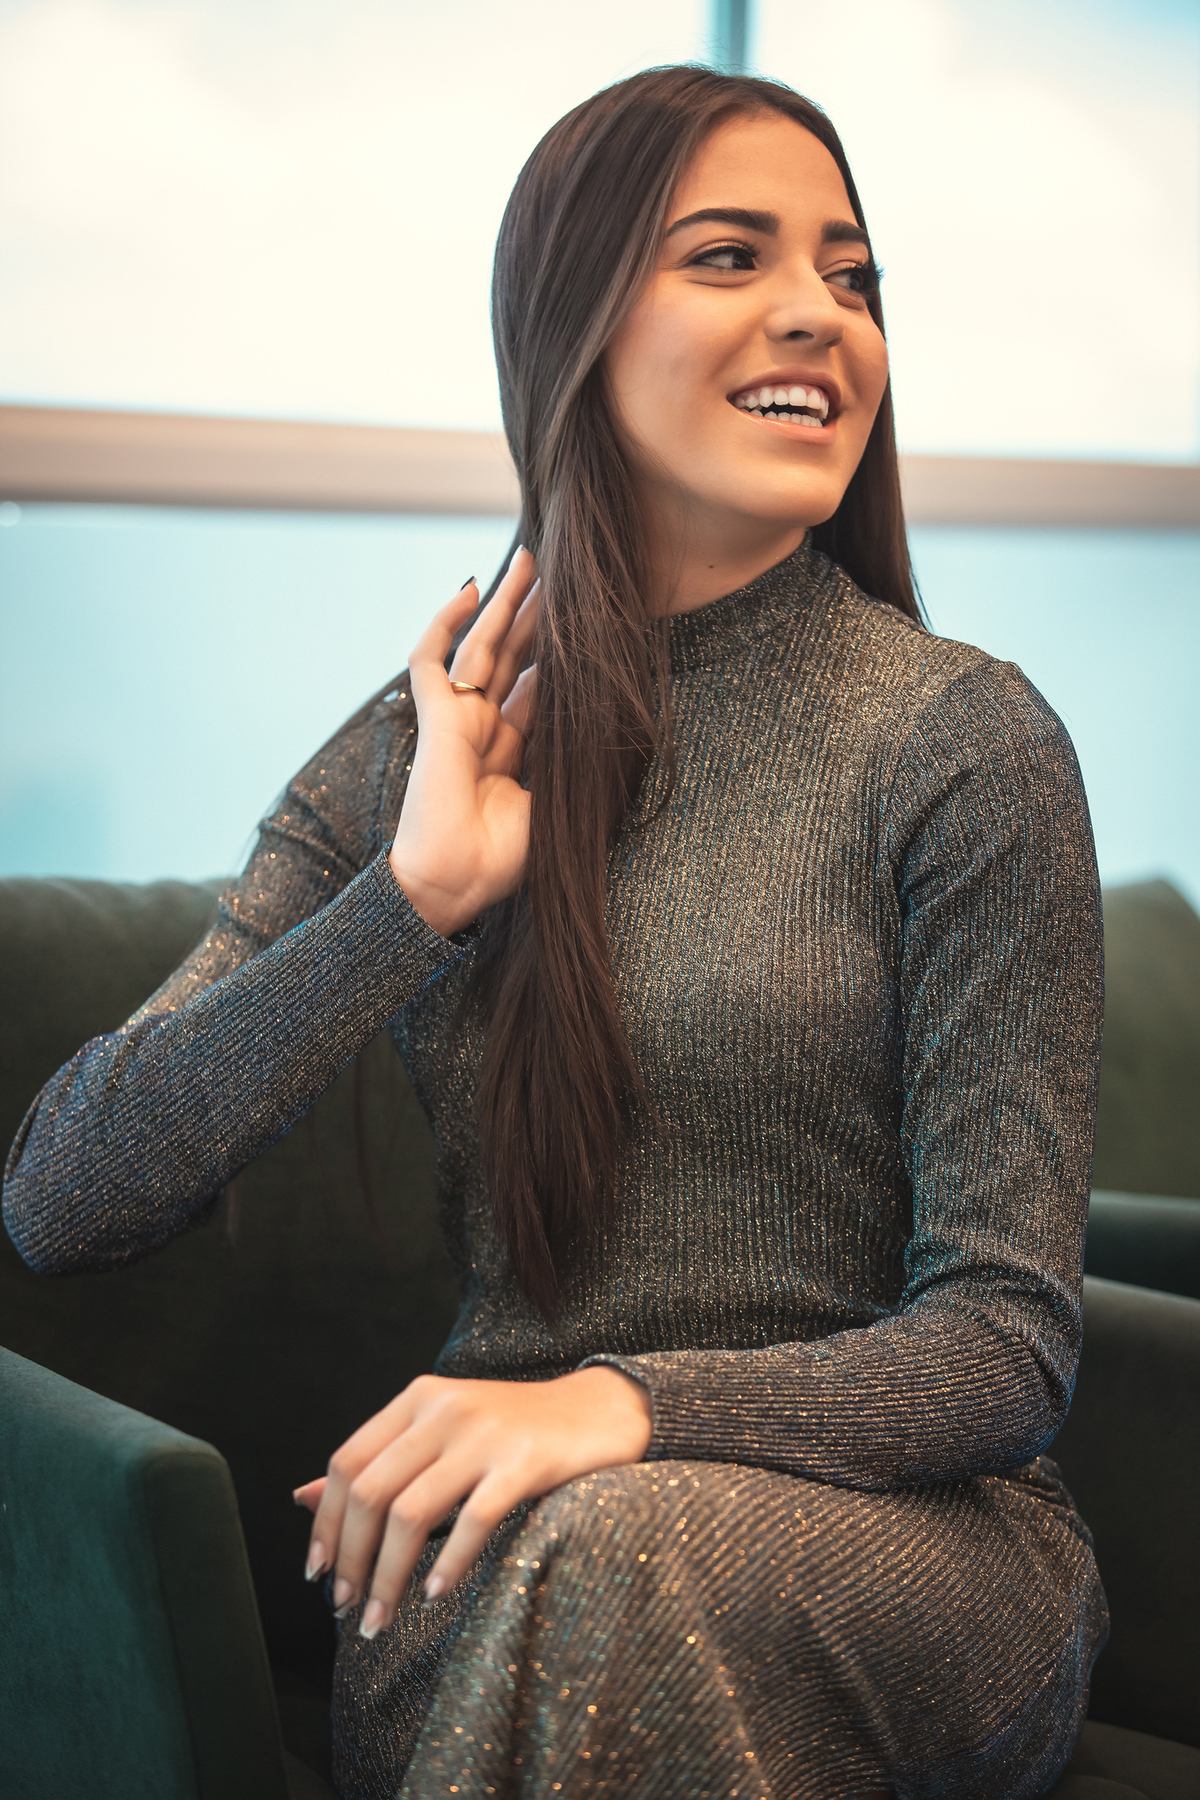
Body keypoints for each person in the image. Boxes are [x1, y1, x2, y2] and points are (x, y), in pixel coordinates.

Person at [3, 65, 1107, 1800]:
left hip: (914, 1551)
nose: (819, 314)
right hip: (497, 1547)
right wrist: (411, 905)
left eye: (852, 276)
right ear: (571, 329)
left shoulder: (967, 742)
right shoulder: (424, 745)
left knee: (619, 1562)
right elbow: (65, 1197)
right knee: (573, 1573)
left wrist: (620, 1404)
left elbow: (1003, 1349)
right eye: (731, 256)